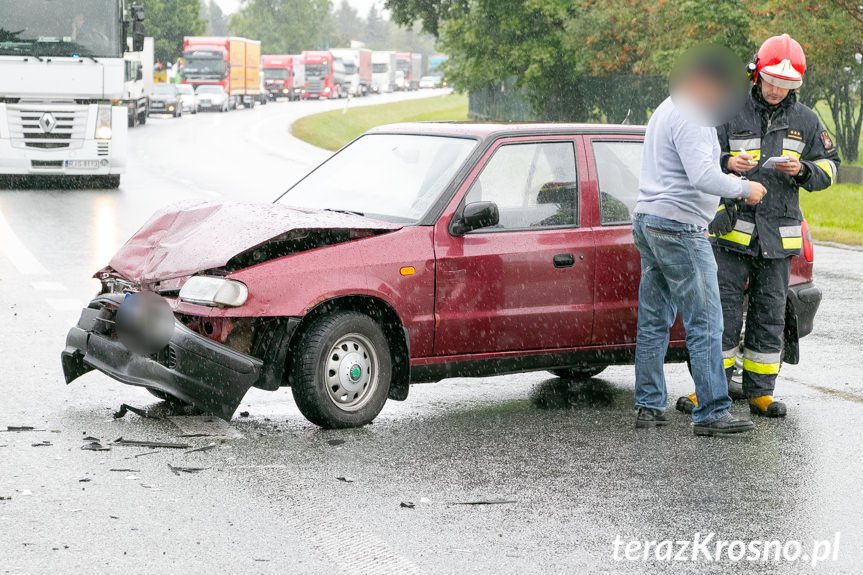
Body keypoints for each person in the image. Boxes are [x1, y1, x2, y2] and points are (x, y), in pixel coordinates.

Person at [676, 35, 839, 418]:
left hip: (778, 239)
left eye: (785, 85)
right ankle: (708, 390)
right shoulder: (728, 110)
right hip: (732, 234)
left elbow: (830, 168)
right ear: (756, 74)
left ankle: (760, 393)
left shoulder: (807, 121)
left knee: (769, 317)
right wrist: (729, 162)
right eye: (770, 82)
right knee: (722, 317)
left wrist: (802, 170)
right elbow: (701, 158)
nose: (776, 90)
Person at [632, 46, 766, 436]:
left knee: (654, 321)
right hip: (680, 227)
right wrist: (745, 188)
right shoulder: (693, 114)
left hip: (649, 220)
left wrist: (724, 164)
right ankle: (711, 412)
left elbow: (690, 165)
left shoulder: (667, 107)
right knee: (706, 321)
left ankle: (649, 405)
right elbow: (700, 177)